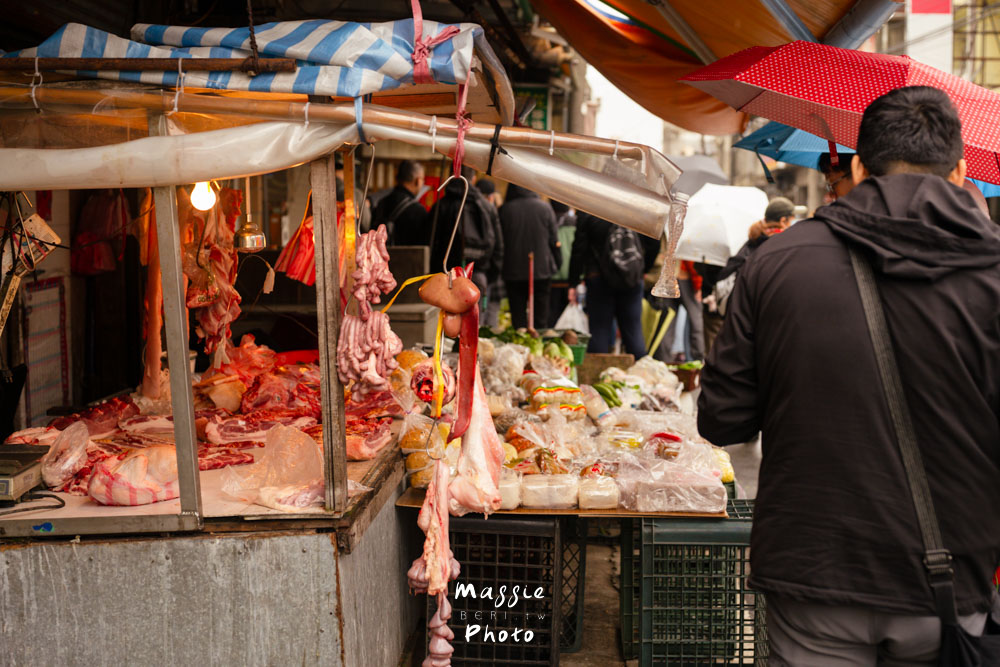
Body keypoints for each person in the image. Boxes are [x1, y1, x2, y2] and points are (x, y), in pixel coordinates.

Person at [698, 86, 1000, 665]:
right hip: (950, 581)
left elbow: (723, 419)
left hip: (814, 573)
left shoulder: (778, 262)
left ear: (858, 166)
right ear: (962, 172)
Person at [568, 213, 648, 358]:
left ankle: (599, 376)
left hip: (598, 279)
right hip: (632, 278)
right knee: (633, 330)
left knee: (599, 331)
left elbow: (579, 248)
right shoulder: (635, 207)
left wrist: (573, 282)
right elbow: (653, 242)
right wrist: (641, 269)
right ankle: (642, 374)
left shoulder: (590, 209)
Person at [429, 166, 503, 316]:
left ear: (451, 176)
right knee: (474, 325)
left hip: (446, 277)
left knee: (446, 326)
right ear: (474, 178)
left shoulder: (440, 206)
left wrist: (434, 271)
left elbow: (429, 243)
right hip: (478, 274)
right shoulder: (487, 207)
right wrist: (490, 275)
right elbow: (498, 246)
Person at [706, 196, 794, 317]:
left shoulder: (755, 238)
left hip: (743, 310)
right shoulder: (782, 244)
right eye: (791, 221)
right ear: (783, 221)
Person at [498, 184, 560, 330]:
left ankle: (520, 347)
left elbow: (499, 242)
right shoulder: (545, 208)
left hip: (513, 270)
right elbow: (554, 240)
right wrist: (556, 264)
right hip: (541, 271)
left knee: (518, 318)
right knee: (540, 318)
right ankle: (538, 346)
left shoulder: (505, 210)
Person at [374, 160, 428, 246]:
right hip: (409, 259)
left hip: (380, 258)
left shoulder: (382, 203)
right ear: (417, 181)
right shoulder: (418, 210)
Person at [548, 200, 577, 328]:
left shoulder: (549, 221)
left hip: (552, 275)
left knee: (552, 315)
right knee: (567, 318)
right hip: (571, 275)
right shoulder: (574, 222)